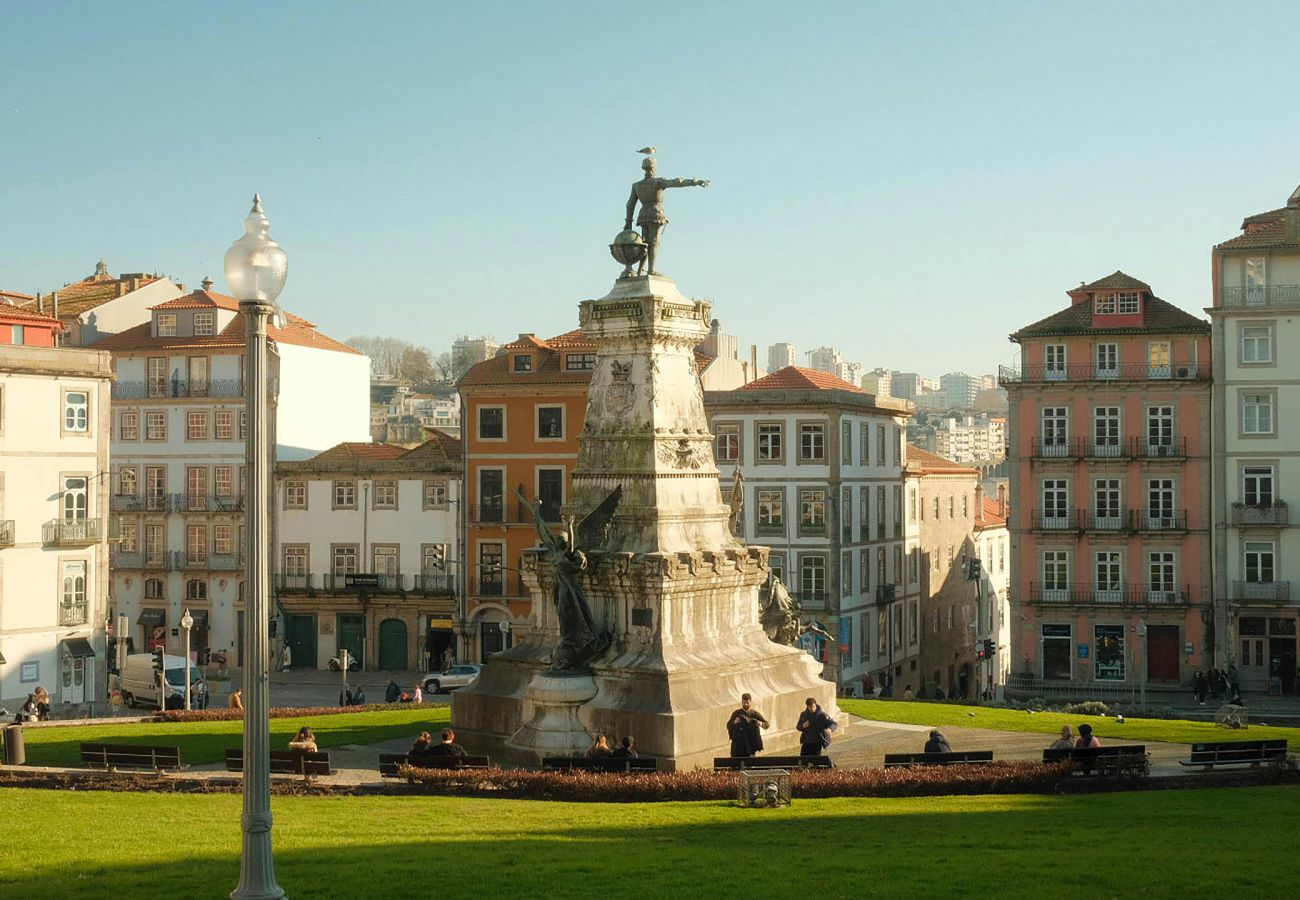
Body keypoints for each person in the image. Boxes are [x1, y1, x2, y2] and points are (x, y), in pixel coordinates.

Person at [624, 155, 710, 277]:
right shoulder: (658, 181)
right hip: (656, 214)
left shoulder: (637, 185)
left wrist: (628, 222)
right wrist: (694, 182)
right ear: (654, 168)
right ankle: (651, 270)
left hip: (643, 215)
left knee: (645, 243)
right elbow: (677, 182)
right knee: (654, 242)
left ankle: (640, 270)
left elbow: (629, 205)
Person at [727, 693, 770, 757]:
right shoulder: (736, 713)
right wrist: (734, 722)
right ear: (742, 702)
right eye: (744, 703)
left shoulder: (755, 714)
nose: (746, 704)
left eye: (747, 703)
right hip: (738, 745)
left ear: (750, 702)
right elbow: (728, 725)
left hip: (750, 746)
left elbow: (767, 724)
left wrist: (761, 724)